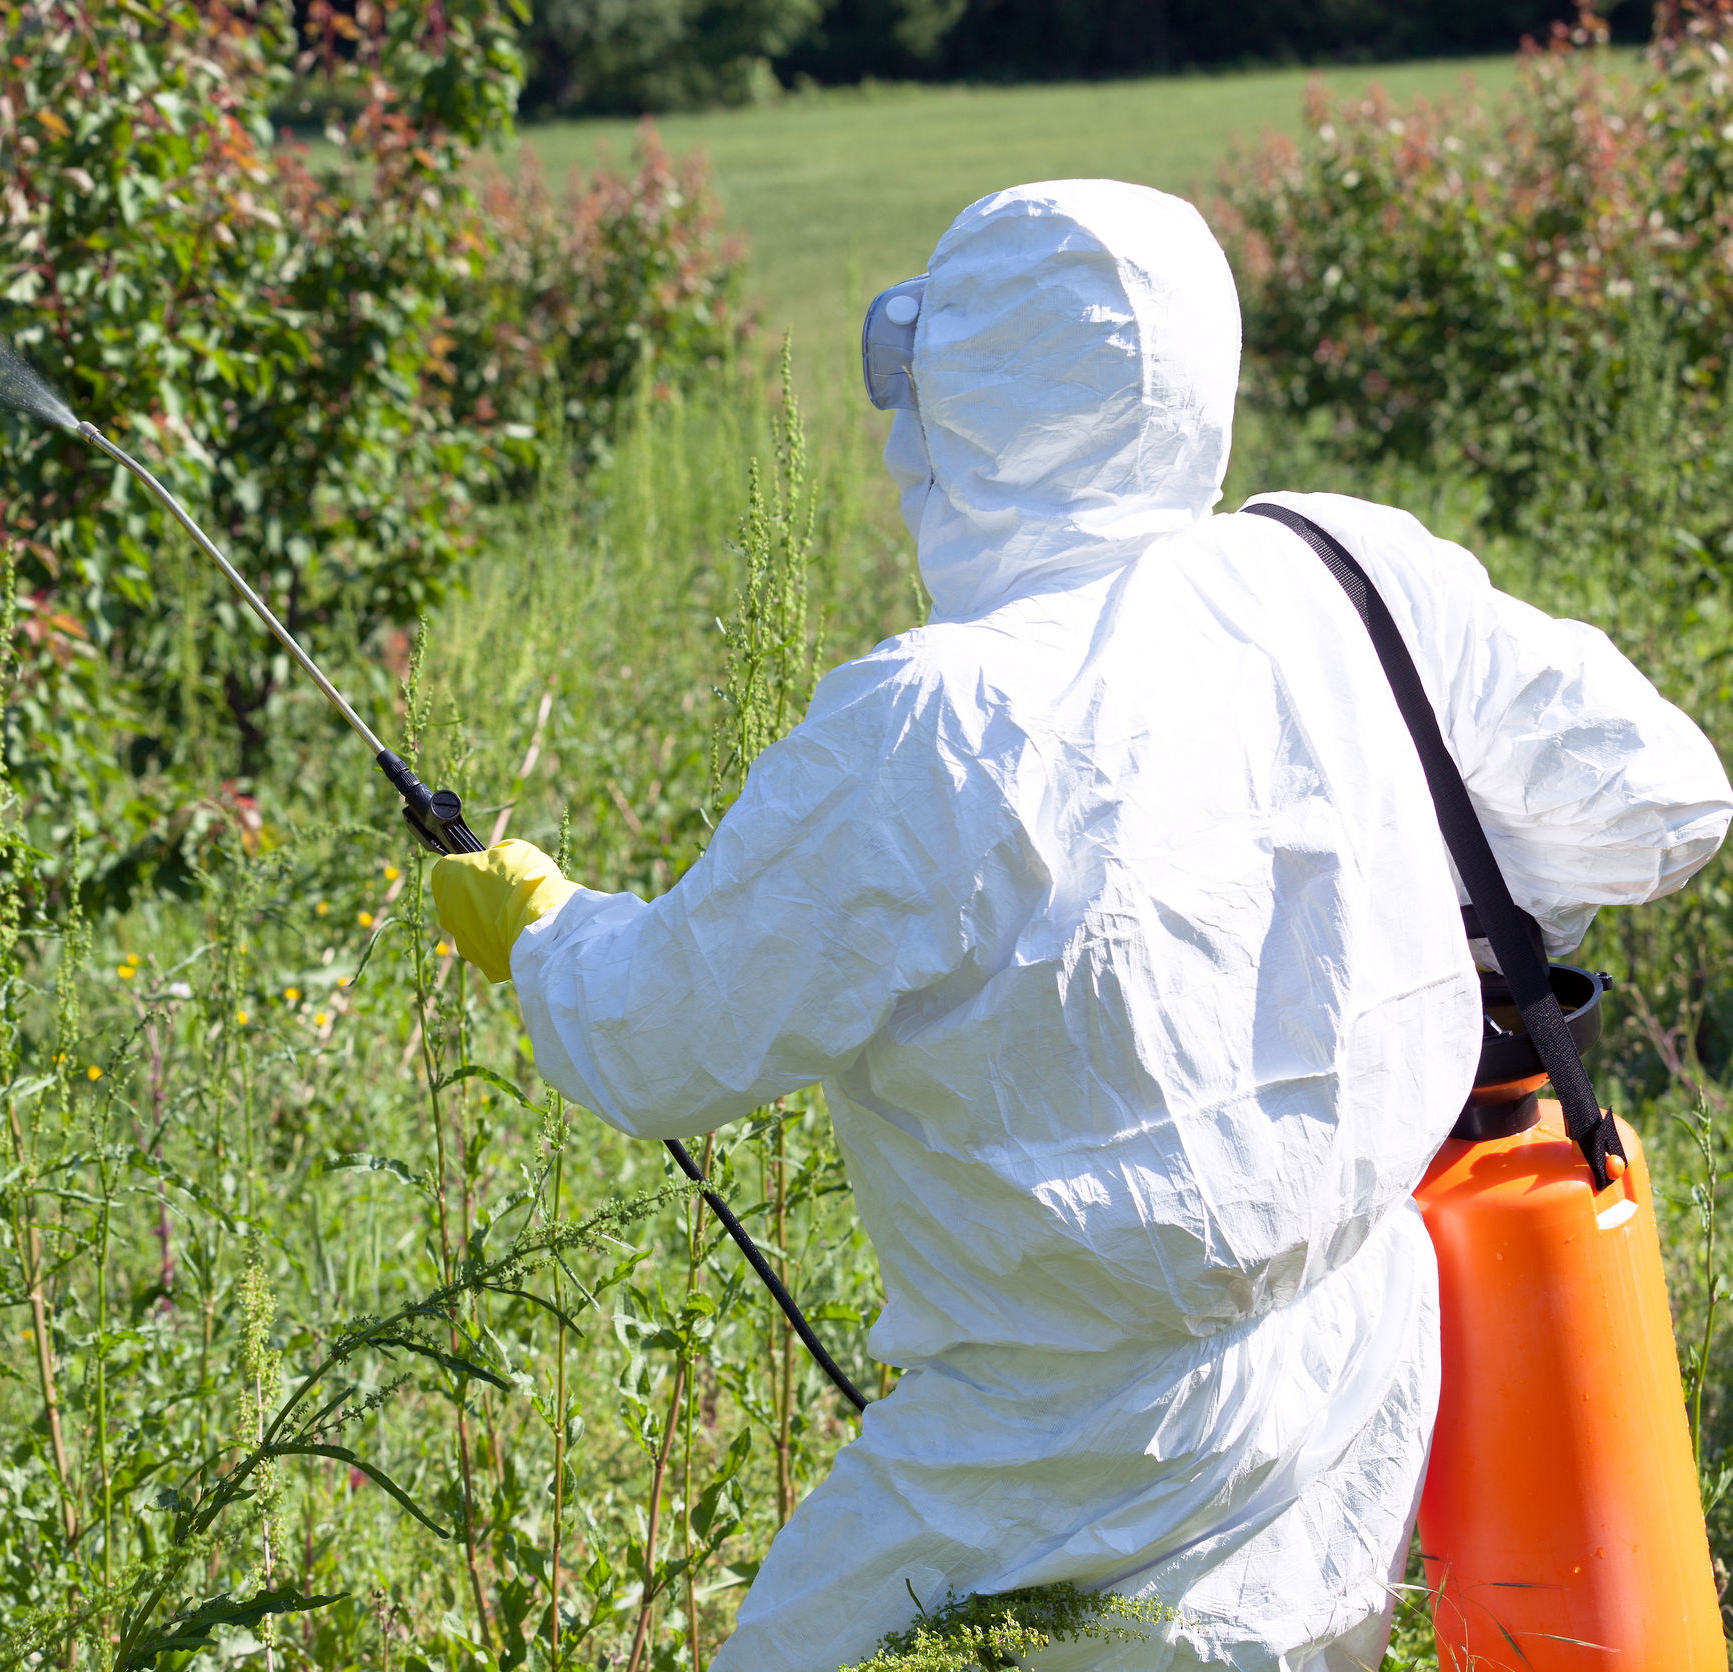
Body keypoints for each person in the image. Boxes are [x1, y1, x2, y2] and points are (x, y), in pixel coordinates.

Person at [430, 179, 1733, 1669]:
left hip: (1049, 1456)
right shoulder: (1339, 569)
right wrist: (1411, 919)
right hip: (1356, 1350)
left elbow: (658, 1044)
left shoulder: (934, 723)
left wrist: (545, 929)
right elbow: (1666, 798)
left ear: (964, 405)